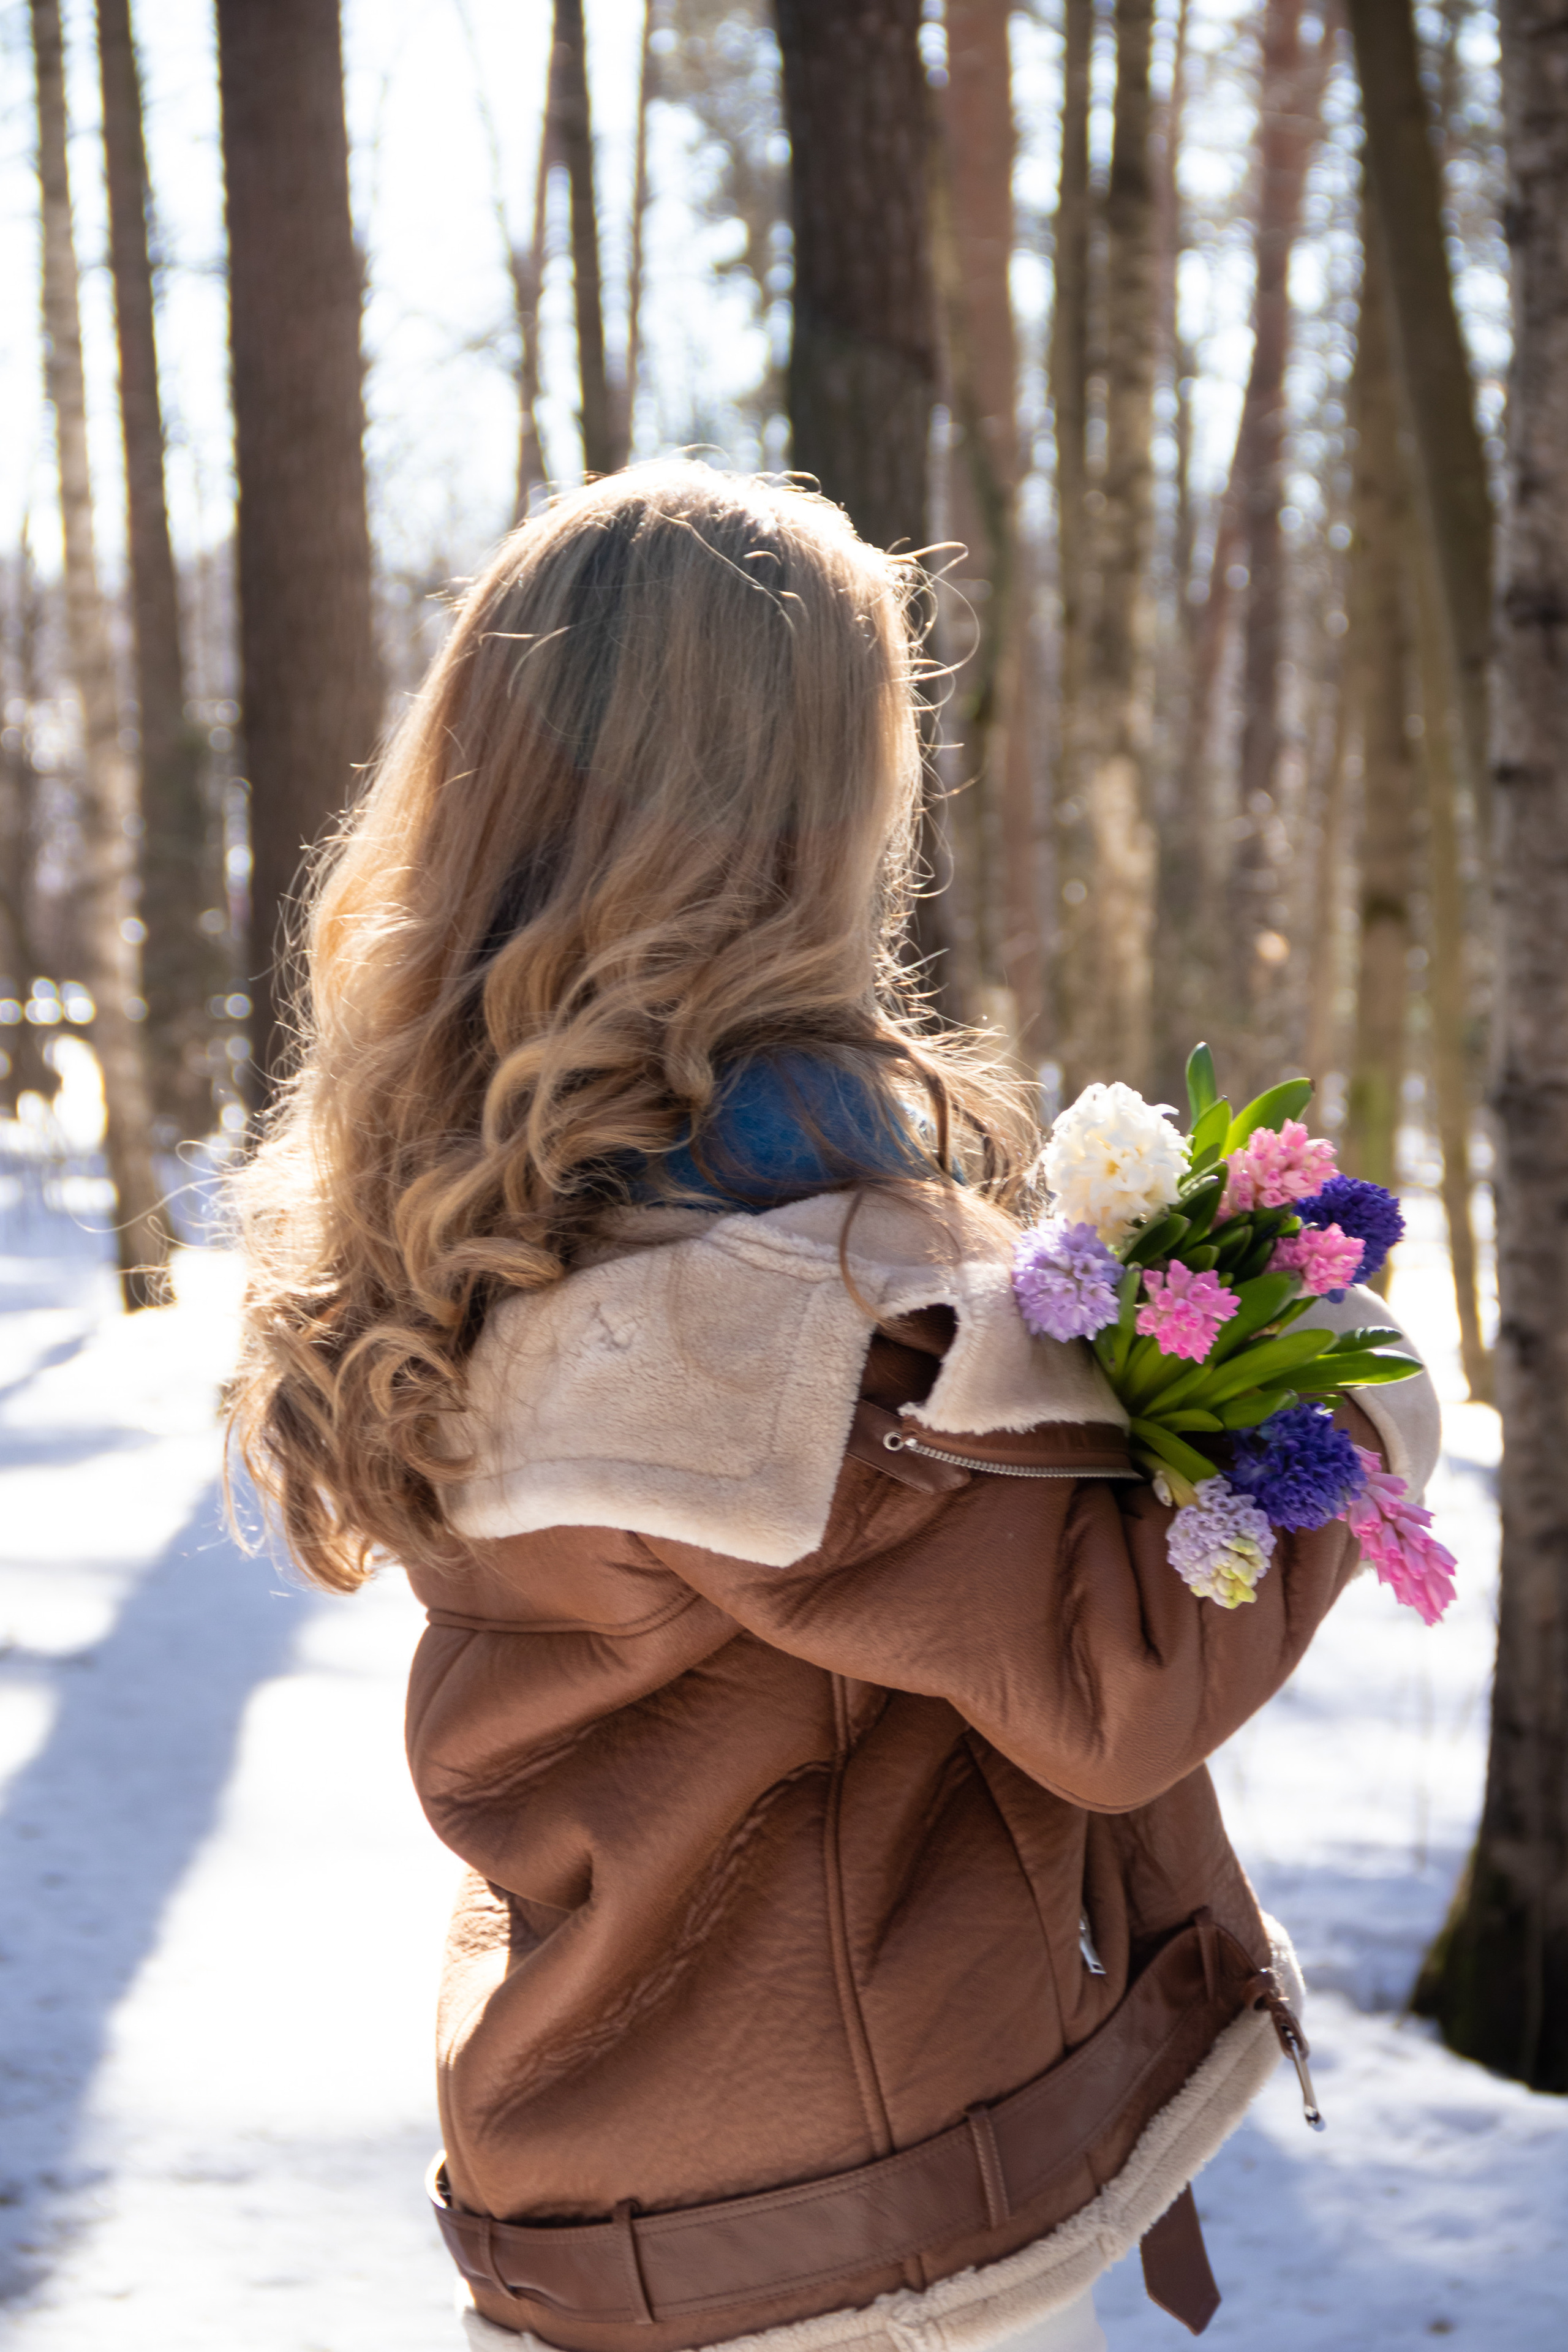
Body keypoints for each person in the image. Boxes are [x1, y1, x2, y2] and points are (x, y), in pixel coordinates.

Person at [230, 462, 1438, 2352]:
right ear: (808, 806)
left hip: (605, 2210)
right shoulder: (805, 1298)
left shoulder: (481, 1218)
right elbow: (1113, 1681)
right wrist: (1349, 1399)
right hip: (864, 2257)